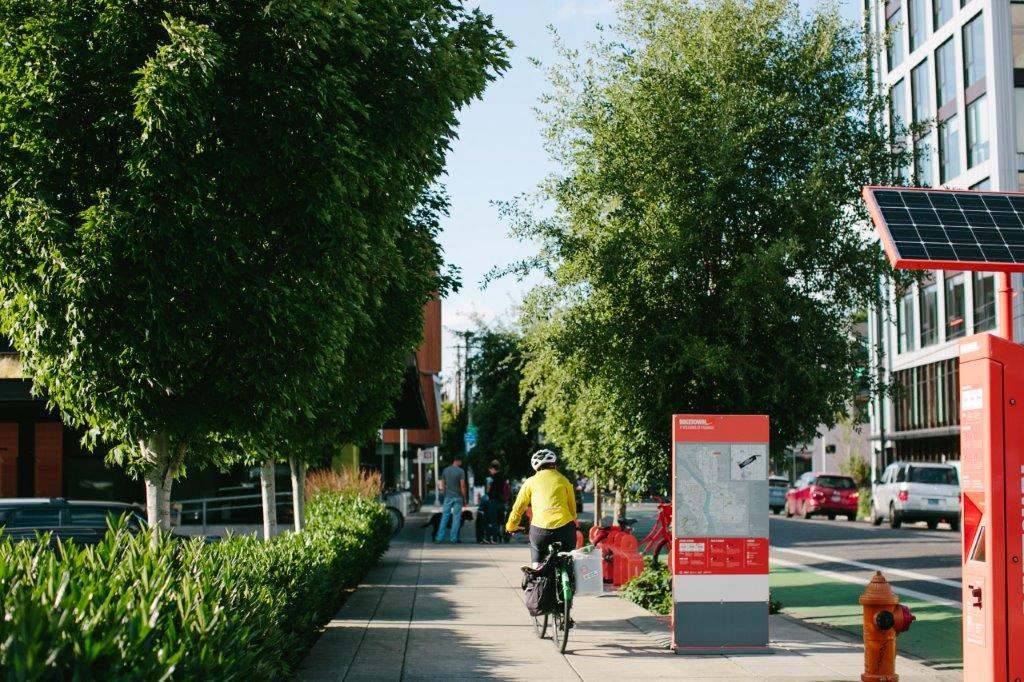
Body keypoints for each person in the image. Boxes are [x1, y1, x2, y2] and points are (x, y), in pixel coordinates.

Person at [506, 449, 577, 568]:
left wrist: (511, 526)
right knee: (568, 557)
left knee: (537, 550)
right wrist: (573, 520)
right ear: (554, 464)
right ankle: (568, 575)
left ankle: (536, 567)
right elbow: (572, 508)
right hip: (565, 528)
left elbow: (518, 507)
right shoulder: (564, 480)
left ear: (536, 467)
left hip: (540, 530)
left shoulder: (530, 482)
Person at [435, 455, 468, 544]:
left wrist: (445, 494)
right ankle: (453, 538)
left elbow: (443, 485)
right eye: (461, 461)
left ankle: (439, 538)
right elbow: (462, 486)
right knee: (456, 518)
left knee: (445, 517)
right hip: (458, 497)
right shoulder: (461, 471)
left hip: (448, 497)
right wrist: (465, 498)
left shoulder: (445, 470)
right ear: (457, 460)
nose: (461, 463)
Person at [484, 460, 509, 544]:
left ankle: (493, 539)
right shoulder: (502, 477)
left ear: (494, 469)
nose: (490, 472)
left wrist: (488, 490)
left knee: (492, 520)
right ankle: (494, 538)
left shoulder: (494, 479)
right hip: (501, 502)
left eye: (490, 470)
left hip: (494, 501)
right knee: (498, 521)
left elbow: (492, 492)